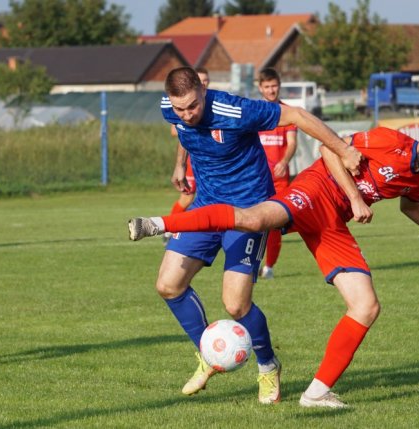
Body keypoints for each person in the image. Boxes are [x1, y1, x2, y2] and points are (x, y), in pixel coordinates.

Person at [129, 117, 419, 407]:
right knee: (252, 219)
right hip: (314, 191)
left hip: (331, 223)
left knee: (366, 306)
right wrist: (355, 197)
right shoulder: (389, 141)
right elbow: (329, 148)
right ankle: (159, 223)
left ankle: (316, 393)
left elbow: (411, 205)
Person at [134, 67, 362, 404]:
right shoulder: (172, 109)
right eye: (179, 108)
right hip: (206, 206)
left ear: (203, 91)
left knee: (235, 304)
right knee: (168, 285)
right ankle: (209, 354)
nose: (186, 114)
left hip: (249, 210)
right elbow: (184, 132)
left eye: (193, 106)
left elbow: (297, 115)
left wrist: (343, 150)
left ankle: (268, 365)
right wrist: (180, 164)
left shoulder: (234, 110)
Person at [256, 68, 297, 279]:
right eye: (267, 87)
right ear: (260, 88)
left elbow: (292, 143)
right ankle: (249, 263)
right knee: (251, 222)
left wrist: (284, 160)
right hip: (255, 178)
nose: (271, 90)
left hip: (279, 179)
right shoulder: (255, 112)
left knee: (274, 224)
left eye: (274, 86)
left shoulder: (287, 113)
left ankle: (269, 267)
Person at [162, 68, 210, 244]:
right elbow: (176, 130)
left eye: (206, 80)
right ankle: (170, 229)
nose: (204, 82)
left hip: (208, 164)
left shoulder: (208, 105)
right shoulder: (182, 109)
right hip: (192, 160)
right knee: (187, 196)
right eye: (201, 79)